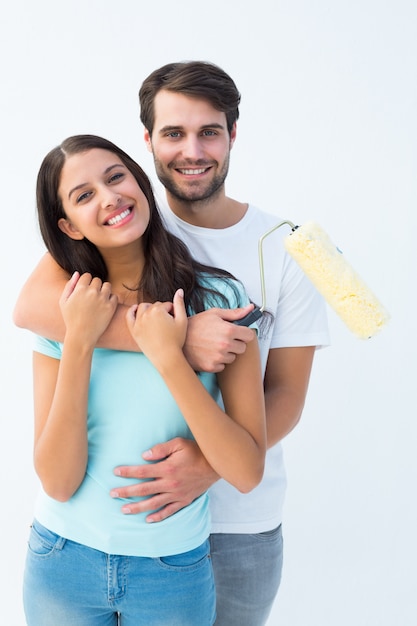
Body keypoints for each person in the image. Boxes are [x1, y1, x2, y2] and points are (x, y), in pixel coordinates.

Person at [14, 61, 330, 625]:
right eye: (173, 133)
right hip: (74, 545)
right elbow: (32, 311)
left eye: (209, 131)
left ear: (234, 134)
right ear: (148, 145)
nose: (191, 150)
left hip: (235, 526)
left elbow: (286, 393)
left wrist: (209, 463)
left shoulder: (294, 248)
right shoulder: (119, 223)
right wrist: (173, 342)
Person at [22, 134, 267, 626]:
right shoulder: (68, 309)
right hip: (61, 560)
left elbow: (245, 472)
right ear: (67, 225)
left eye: (116, 177)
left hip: (172, 570)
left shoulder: (219, 297)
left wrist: (170, 356)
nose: (109, 197)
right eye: (84, 194)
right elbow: (57, 480)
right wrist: (79, 339)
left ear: (139, 181)